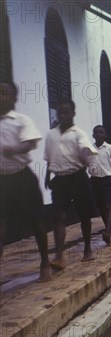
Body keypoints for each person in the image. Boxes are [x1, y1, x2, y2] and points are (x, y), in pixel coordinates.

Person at [0, 82, 51, 282]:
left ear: (14, 98)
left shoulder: (21, 120)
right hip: (2, 181)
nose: (1, 97)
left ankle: (45, 261)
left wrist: (14, 148)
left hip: (22, 178)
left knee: (36, 222)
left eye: (5, 93)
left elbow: (31, 142)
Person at [44, 99, 97, 266]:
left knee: (84, 216)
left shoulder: (79, 133)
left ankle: (87, 248)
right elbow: (49, 157)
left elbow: (86, 149)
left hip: (78, 177)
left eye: (66, 112)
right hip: (60, 180)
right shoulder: (51, 135)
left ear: (73, 113)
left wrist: (86, 153)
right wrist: (47, 176)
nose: (63, 115)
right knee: (58, 216)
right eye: (60, 113)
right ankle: (59, 255)